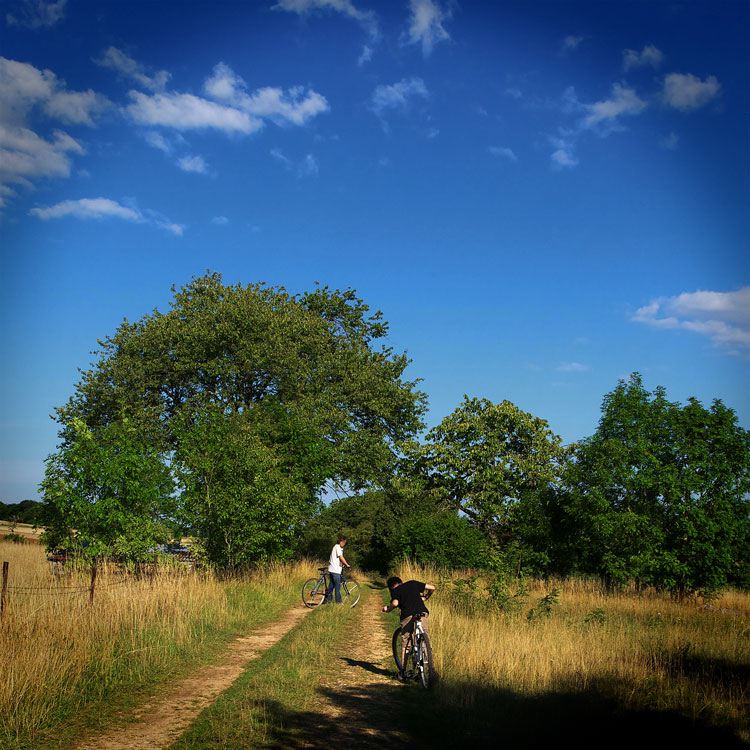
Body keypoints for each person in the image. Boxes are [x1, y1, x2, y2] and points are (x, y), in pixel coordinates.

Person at [382, 575, 436, 678]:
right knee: (425, 636)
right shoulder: (412, 583)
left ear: (391, 587)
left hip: (408, 615)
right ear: (401, 582)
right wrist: (426, 597)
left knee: (406, 643)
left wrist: (387, 609)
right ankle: (430, 670)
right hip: (422, 612)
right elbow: (432, 588)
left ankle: (402, 672)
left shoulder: (396, 590)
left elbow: (395, 603)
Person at [324, 535, 350, 604]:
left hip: (333, 570)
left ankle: (328, 600)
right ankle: (338, 602)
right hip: (335, 571)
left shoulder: (338, 548)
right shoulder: (337, 547)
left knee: (331, 586)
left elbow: (338, 559)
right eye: (343, 542)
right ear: (340, 541)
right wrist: (347, 564)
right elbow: (341, 557)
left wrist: (342, 564)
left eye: (345, 543)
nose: (344, 544)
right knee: (337, 587)